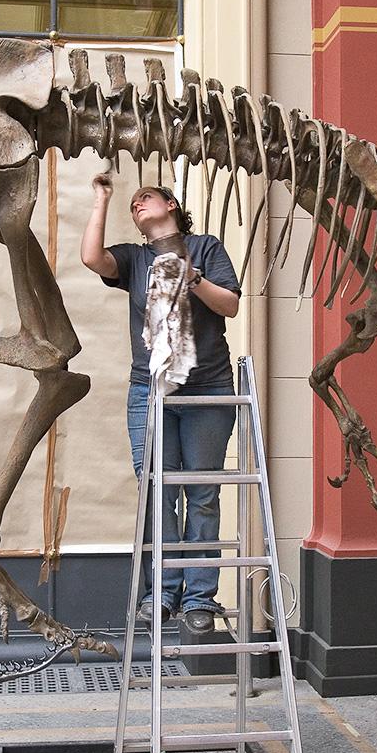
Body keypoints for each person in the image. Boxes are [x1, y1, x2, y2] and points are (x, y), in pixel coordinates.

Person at [80, 173, 241, 635]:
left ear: (171, 203)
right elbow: (92, 257)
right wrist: (102, 199)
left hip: (207, 388)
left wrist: (193, 279)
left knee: (203, 494)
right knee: (157, 491)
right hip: (149, 391)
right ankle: (163, 593)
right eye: (134, 205)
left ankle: (199, 599)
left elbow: (229, 305)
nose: (138, 206)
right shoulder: (134, 259)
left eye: (145, 198)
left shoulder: (205, 247)